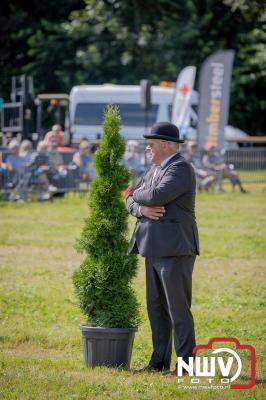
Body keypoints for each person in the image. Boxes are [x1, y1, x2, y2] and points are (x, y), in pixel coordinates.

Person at [126, 122, 200, 375]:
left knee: (177, 309)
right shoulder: (155, 169)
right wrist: (141, 208)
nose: (148, 147)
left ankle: (187, 366)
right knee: (156, 308)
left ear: (166, 145)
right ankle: (158, 362)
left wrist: (140, 196)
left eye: (152, 143)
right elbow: (130, 196)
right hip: (153, 247)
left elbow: (155, 196)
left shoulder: (181, 169)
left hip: (175, 249)